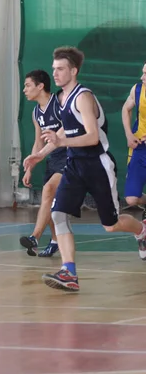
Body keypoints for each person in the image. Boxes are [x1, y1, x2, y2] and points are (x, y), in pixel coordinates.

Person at [23, 46, 146, 292]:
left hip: (98, 164)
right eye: (54, 68)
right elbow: (62, 132)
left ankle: (142, 231)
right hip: (74, 165)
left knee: (110, 225)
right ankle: (69, 271)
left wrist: (62, 142)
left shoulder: (83, 96)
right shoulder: (60, 99)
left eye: (60, 69)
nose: (55, 73)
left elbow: (91, 137)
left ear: (74, 71)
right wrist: (39, 155)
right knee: (58, 214)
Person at [19, 70, 64, 258]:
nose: (24, 90)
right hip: (52, 159)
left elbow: (70, 128)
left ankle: (35, 237)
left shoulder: (59, 103)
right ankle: (55, 240)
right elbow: (38, 142)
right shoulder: (36, 112)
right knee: (51, 202)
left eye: (27, 85)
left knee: (48, 192)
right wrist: (30, 166)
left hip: (70, 155)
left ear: (40, 86)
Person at [121, 62, 146, 232]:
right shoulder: (137, 89)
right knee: (131, 199)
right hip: (140, 148)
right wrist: (129, 134)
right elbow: (126, 108)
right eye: (143, 72)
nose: (142, 77)